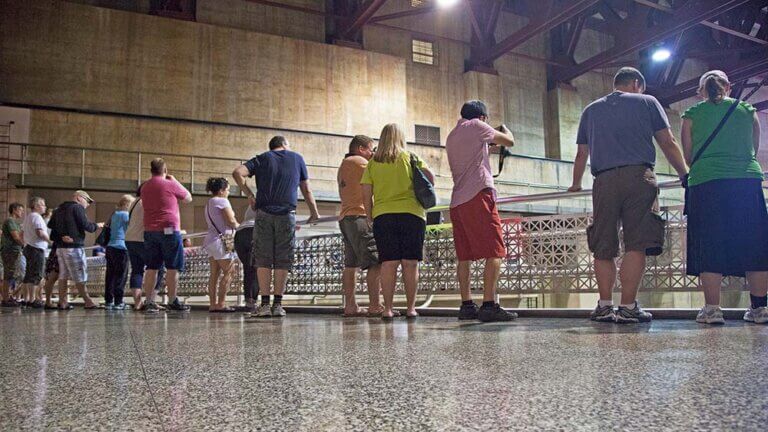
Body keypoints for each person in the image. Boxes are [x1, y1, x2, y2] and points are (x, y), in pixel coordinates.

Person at [568, 67, 688, 324]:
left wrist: (576, 183)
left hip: (603, 180)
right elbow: (667, 142)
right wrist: (684, 173)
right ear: (636, 83)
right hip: (639, 177)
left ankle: (603, 306)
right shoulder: (647, 101)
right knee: (636, 243)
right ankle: (628, 306)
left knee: (603, 245)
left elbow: (581, 154)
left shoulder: (591, 110)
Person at [681, 70, 768, 325]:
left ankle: (712, 309)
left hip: (706, 184)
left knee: (709, 244)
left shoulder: (692, 115)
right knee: (754, 243)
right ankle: (760, 309)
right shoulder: (748, 111)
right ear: (728, 87)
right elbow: (753, 149)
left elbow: (688, 157)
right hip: (746, 183)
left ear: (701, 91)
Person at [232, 136, 320, 318]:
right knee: (283, 259)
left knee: (263, 259)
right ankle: (278, 305)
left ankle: (264, 304)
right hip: (287, 214)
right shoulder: (297, 158)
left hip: (263, 214)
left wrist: (249, 194)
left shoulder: (262, 158)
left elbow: (237, 173)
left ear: (271, 147)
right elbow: (306, 188)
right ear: (285, 145)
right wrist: (314, 212)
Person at [446, 100, 518, 322]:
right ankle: (489, 304)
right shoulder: (477, 126)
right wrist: (504, 129)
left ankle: (467, 305)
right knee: (495, 250)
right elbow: (509, 142)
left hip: (457, 202)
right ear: (483, 117)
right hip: (478, 194)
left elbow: (480, 149)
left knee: (465, 256)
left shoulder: (452, 135)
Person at [361, 124, 435, 320]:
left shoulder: (372, 163)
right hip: (412, 215)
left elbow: (366, 193)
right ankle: (411, 308)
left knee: (388, 264)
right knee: (410, 263)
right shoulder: (410, 157)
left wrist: (370, 216)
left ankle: (388, 309)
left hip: (384, 217)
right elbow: (431, 179)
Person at [337, 135, 385, 317]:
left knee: (351, 265)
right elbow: (380, 177)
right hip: (359, 217)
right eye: (370, 149)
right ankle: (375, 305)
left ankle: (350, 306)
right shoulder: (359, 162)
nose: (372, 153)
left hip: (345, 218)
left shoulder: (344, 164)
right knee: (375, 262)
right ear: (360, 149)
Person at [140, 158, 192, 313]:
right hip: (169, 229)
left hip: (150, 230)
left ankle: (149, 301)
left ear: (151, 170)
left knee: (152, 267)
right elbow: (188, 198)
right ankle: (172, 300)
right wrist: (175, 181)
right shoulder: (169, 184)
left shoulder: (144, 187)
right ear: (165, 170)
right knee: (173, 267)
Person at [47, 190, 104, 310]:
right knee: (80, 275)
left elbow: (51, 230)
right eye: (87, 201)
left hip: (60, 248)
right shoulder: (77, 208)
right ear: (78, 198)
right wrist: (97, 225)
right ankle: (88, 301)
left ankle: (63, 302)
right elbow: (87, 226)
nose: (88, 204)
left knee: (63, 275)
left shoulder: (58, 209)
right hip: (74, 248)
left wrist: (61, 236)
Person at [203, 177, 239, 312]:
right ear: (221, 190)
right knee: (230, 271)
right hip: (222, 242)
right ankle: (221, 303)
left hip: (210, 241)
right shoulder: (223, 201)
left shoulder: (209, 203)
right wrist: (240, 227)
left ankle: (213, 304)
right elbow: (231, 221)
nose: (228, 192)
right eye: (228, 190)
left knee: (214, 274)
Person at [124, 194, 166, 311]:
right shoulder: (149, 200)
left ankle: (138, 303)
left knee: (137, 270)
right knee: (157, 268)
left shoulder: (134, 202)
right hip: (143, 239)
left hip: (130, 239)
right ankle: (150, 300)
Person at [104, 195, 134, 310]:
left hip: (110, 247)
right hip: (122, 247)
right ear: (127, 204)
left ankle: (108, 300)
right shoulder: (126, 215)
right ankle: (118, 301)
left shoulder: (114, 215)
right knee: (121, 275)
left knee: (110, 275)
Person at [21, 197, 50, 309]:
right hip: (37, 248)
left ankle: (26, 299)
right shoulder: (37, 217)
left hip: (28, 247)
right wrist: (50, 240)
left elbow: (21, 233)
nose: (45, 207)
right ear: (36, 206)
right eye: (43, 204)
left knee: (28, 274)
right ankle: (33, 300)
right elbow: (40, 233)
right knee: (36, 274)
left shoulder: (28, 217)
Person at [0, 203, 26, 307]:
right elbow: (15, 237)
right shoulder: (10, 221)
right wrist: (24, 244)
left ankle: (9, 296)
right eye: (20, 210)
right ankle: (6, 298)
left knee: (13, 274)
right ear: (14, 210)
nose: (22, 212)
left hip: (14, 251)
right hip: (10, 251)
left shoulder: (15, 223)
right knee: (9, 274)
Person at [234, 205, 258, 312]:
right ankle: (252, 301)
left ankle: (249, 301)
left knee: (248, 268)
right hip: (255, 230)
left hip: (240, 232)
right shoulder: (268, 199)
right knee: (257, 268)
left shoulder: (251, 203)